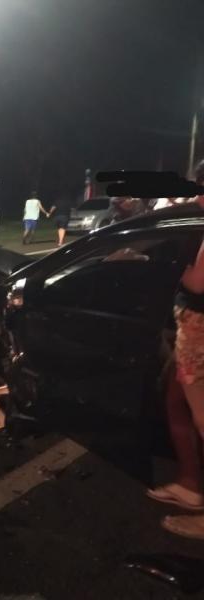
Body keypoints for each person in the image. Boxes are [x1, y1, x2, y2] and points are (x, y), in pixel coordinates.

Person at [148, 160, 204, 539]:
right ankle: (190, 485)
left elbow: (198, 284)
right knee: (174, 402)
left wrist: (170, 269)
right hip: (190, 338)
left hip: (200, 341)